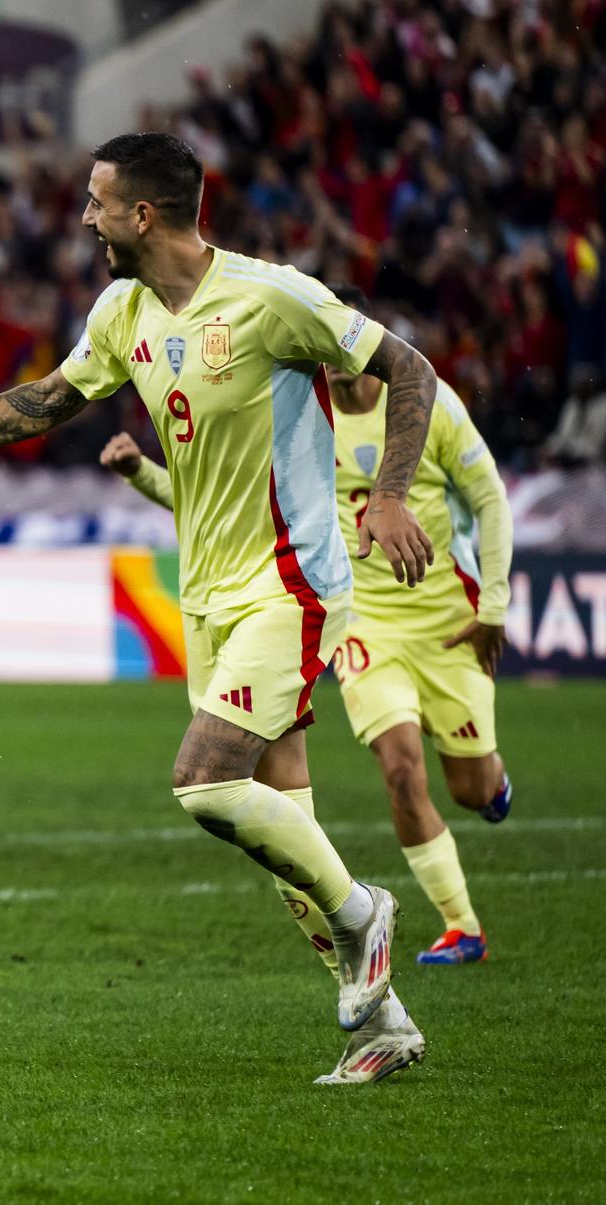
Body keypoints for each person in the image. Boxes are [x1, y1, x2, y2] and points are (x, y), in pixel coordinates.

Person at [0, 132, 438, 1086]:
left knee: (203, 780)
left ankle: (366, 914)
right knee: (280, 828)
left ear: (141, 214)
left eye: (96, 201)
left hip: (291, 583)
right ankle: (383, 1023)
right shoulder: (123, 309)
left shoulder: (272, 297)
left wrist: (392, 491)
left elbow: (410, 369)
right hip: (206, 595)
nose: (84, 216)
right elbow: (51, 398)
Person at [100, 283, 514, 970]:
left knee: (470, 787)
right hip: (359, 620)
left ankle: (490, 786)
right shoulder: (301, 419)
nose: (343, 364)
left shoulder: (427, 407)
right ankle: (459, 924)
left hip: (446, 617)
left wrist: (493, 603)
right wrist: (142, 471)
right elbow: (217, 498)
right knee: (400, 766)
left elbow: (490, 497)